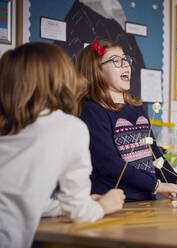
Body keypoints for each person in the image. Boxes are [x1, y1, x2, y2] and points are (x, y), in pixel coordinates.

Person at [0, 42, 125, 248]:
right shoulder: (67, 127)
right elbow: (80, 213)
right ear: (61, 80)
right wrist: (102, 206)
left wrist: (66, 206)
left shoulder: (9, 124)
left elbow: (20, 197)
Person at [76, 40, 177, 202]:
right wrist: (156, 186)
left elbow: (155, 156)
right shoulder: (92, 111)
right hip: (113, 203)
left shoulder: (137, 109)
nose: (125, 64)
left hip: (146, 200)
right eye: (116, 61)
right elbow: (110, 163)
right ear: (97, 71)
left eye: (125, 59)